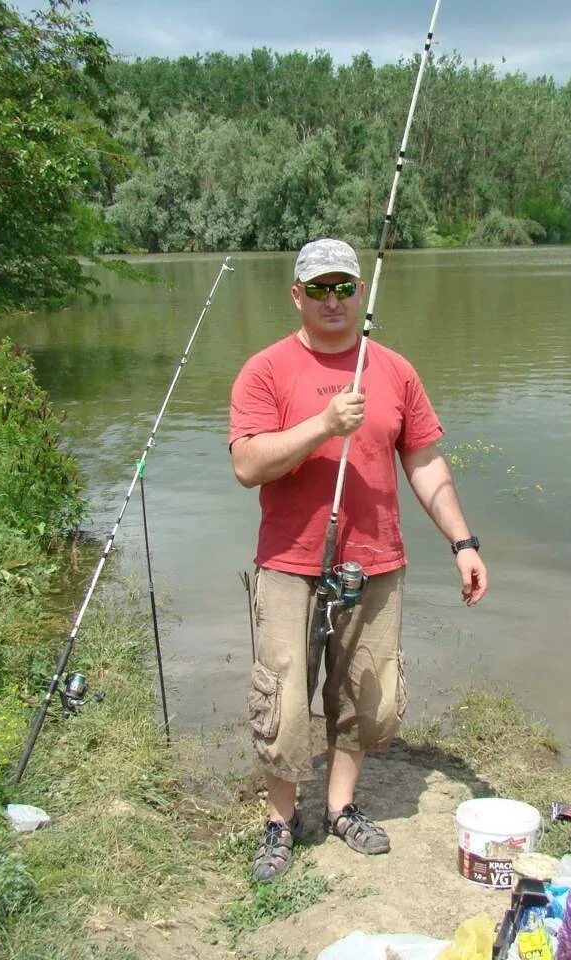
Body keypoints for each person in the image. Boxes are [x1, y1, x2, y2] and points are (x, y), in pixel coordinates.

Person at [229, 237, 488, 883]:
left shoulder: (394, 370)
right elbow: (247, 464)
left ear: (359, 293)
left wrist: (463, 542)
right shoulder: (264, 370)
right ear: (297, 295)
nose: (333, 299)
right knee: (285, 704)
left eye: (344, 286)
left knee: (368, 701)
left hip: (375, 565)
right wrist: (322, 424)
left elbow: (425, 462)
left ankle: (341, 808)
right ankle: (281, 822)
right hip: (290, 565)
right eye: (319, 288)